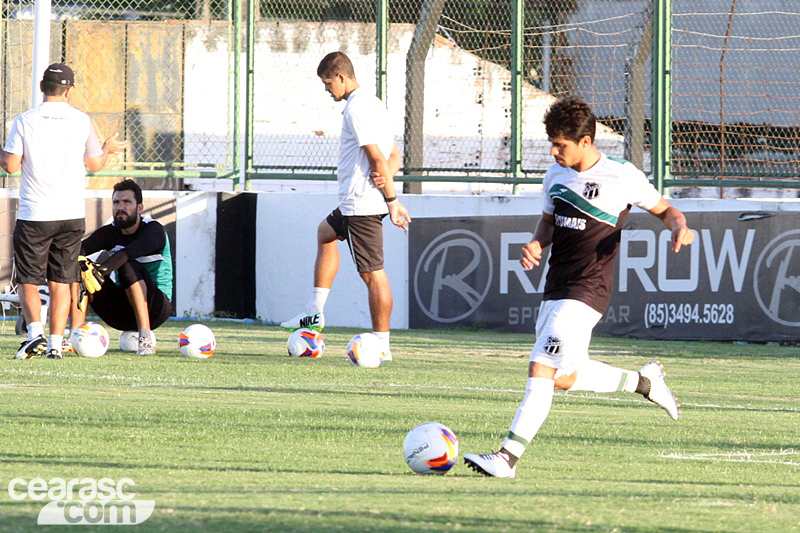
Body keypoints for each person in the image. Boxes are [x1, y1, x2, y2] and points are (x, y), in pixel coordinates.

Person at [464, 96, 695, 478]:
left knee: (540, 366)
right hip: (555, 286)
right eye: (552, 143)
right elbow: (549, 223)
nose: (554, 152)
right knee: (564, 376)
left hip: (589, 289)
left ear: (586, 141)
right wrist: (537, 242)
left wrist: (679, 229)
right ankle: (645, 382)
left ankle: (507, 458)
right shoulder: (554, 177)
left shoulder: (621, 175)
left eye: (562, 145)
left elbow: (668, 210)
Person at [280, 51, 410, 360]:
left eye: (328, 83)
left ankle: (383, 346)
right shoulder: (376, 104)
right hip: (360, 199)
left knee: (373, 274)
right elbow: (395, 158)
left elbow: (377, 159)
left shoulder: (357, 110)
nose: (327, 90)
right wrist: (382, 187)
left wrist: (390, 200)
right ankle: (314, 312)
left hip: (360, 205)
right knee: (325, 234)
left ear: (340, 77)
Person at [1, 63, 128, 360]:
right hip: (71, 215)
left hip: (35, 214)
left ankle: (35, 336)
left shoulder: (25, 120)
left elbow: (10, 165)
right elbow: (96, 164)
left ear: (42, 87)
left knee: (29, 279)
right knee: (61, 280)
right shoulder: (81, 120)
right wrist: (107, 148)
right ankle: (56, 344)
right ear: (69, 90)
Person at [70, 179, 173, 355]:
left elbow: (128, 253)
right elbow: (76, 251)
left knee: (127, 264)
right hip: (119, 315)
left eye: (127, 202)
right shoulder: (109, 232)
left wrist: (101, 271)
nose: (120, 207)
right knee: (80, 268)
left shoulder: (154, 230)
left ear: (139, 208)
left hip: (155, 309)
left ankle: (146, 339)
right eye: (116, 202)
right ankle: (73, 336)